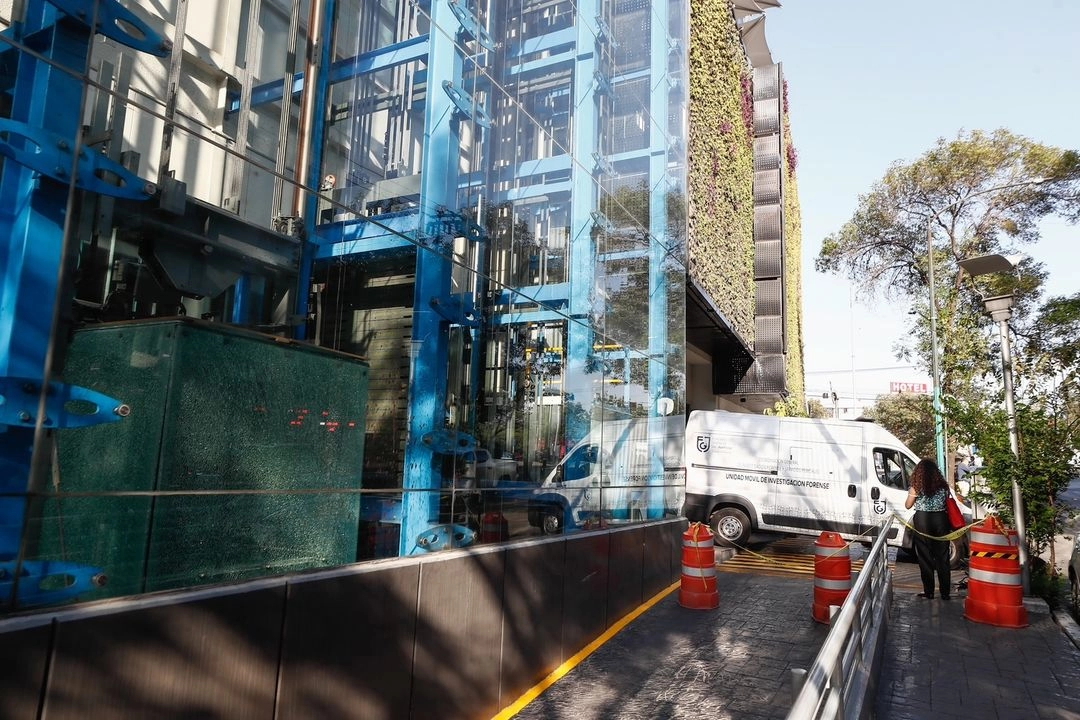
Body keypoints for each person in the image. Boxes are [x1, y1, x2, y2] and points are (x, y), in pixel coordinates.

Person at [905, 458, 952, 600]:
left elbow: (908, 505)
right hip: (941, 520)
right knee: (942, 557)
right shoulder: (943, 487)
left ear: (918, 472)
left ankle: (929, 591)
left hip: (922, 521)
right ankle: (945, 593)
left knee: (925, 556)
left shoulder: (916, 486)